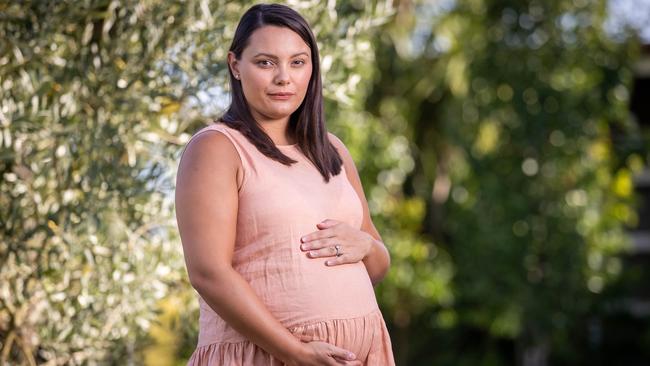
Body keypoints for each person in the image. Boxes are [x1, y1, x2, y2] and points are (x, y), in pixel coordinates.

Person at [175, 3, 395, 365]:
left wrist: (367, 246)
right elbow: (208, 272)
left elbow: (378, 263)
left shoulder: (332, 148)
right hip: (262, 356)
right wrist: (295, 353)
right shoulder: (218, 148)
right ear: (235, 65)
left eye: (298, 62)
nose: (284, 77)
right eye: (265, 62)